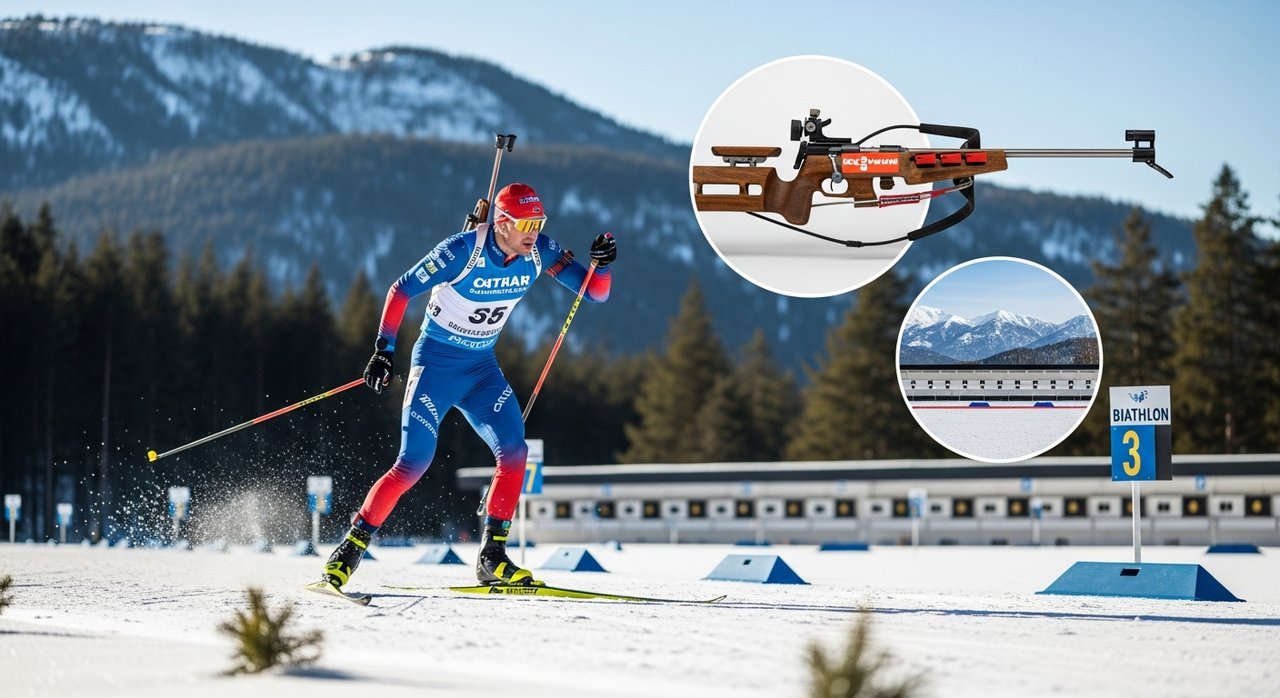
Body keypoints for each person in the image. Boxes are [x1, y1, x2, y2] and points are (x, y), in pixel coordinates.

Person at [321, 183, 615, 589]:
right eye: (526, 223)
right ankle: (349, 550)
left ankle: (492, 557)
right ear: (502, 223)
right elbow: (400, 290)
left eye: (539, 222)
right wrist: (384, 350)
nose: (534, 231)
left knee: (514, 451)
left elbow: (594, 294)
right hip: (436, 366)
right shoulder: (462, 250)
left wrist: (600, 265)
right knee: (413, 464)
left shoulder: (540, 251)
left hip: (481, 369)